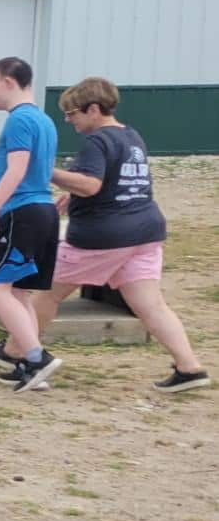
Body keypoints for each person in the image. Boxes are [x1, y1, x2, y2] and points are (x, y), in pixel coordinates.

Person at [19, 77, 206, 392]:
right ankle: (189, 367)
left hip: (101, 238)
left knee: (47, 292)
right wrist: (74, 194)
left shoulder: (97, 140)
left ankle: (18, 353)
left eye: (72, 113)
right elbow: (117, 182)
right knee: (151, 305)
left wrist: (42, 169)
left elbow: (90, 184)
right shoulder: (131, 137)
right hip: (145, 232)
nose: (68, 120)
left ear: (93, 109)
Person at [0, 56, 62, 390]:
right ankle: (27, 364)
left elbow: (18, 171)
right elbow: (32, 164)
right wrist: (1, 152)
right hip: (44, 210)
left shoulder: (18, 120)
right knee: (20, 292)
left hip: (22, 212)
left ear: (9, 82)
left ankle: (37, 357)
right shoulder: (43, 120)